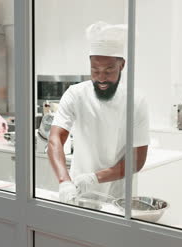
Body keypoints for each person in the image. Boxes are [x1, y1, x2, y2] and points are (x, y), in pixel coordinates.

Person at [47, 21, 151, 204]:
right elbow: (55, 139)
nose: (101, 78)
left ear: (122, 65)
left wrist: (94, 178)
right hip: (76, 190)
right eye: (95, 70)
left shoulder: (136, 101)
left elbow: (137, 160)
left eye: (109, 70)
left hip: (118, 195)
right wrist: (64, 182)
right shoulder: (75, 94)